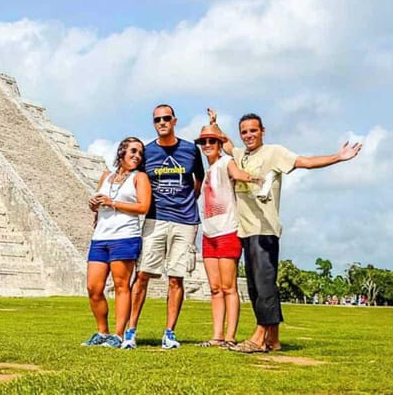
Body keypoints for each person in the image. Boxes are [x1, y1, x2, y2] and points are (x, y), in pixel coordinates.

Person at [229, 112, 361, 353]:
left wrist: (339, 157)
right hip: (246, 231)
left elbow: (306, 162)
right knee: (256, 287)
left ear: (262, 131)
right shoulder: (241, 155)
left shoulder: (274, 152)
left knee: (264, 286)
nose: (248, 135)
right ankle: (274, 340)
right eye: (244, 131)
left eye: (253, 130)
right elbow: (225, 144)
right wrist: (214, 123)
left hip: (265, 231)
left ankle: (258, 338)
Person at [123, 104, 204, 350]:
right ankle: (131, 330)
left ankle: (169, 333)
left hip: (185, 220)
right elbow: (132, 179)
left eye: (166, 118)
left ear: (175, 120)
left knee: (176, 278)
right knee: (143, 275)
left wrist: (188, 201)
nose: (162, 122)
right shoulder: (147, 152)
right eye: (157, 119)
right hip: (155, 219)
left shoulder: (190, 149)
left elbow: (198, 179)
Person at [194, 114, 261, 348]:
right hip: (208, 234)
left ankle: (230, 336)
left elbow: (236, 173)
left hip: (227, 232)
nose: (207, 146)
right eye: (203, 142)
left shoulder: (225, 162)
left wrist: (252, 178)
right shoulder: (207, 172)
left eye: (211, 141)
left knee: (228, 287)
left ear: (219, 143)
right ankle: (217, 336)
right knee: (214, 288)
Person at [81, 137, 151, 348]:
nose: (137, 156)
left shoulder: (140, 177)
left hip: (125, 236)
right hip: (101, 237)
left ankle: (118, 335)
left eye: (140, 153)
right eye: (133, 151)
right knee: (93, 287)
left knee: (122, 286)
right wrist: (93, 203)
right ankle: (102, 331)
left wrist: (113, 202)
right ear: (121, 152)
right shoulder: (106, 176)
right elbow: (98, 205)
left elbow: (143, 207)